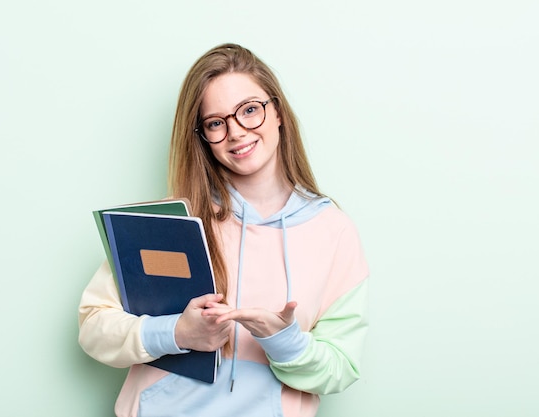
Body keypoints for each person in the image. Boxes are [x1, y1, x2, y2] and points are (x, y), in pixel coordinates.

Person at [78, 43, 369, 417]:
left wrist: (284, 341)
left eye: (250, 110)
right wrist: (177, 333)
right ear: (202, 135)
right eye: (216, 122)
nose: (237, 132)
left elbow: (341, 368)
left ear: (277, 112)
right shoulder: (168, 222)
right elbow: (94, 328)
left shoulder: (334, 232)